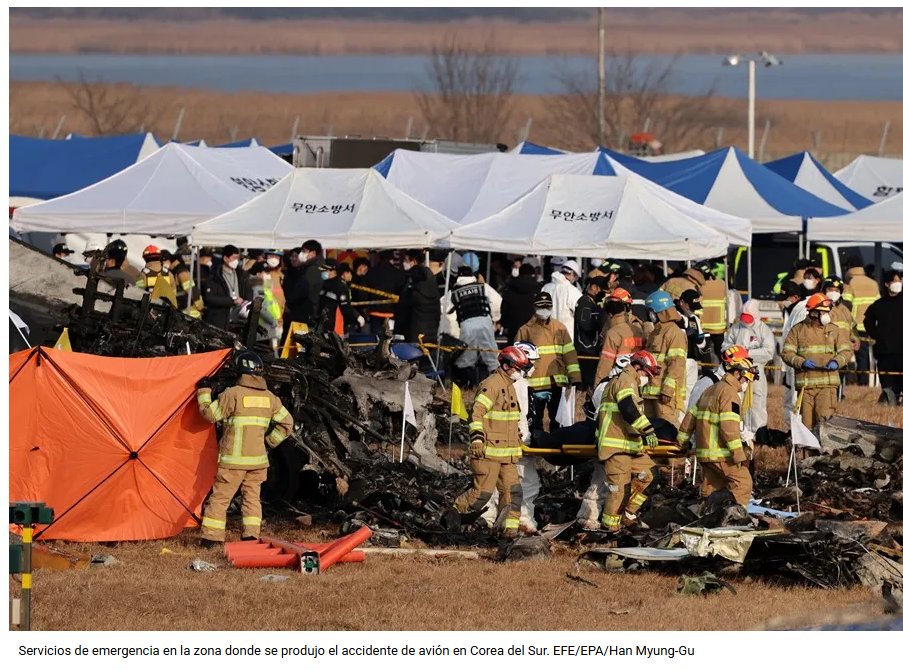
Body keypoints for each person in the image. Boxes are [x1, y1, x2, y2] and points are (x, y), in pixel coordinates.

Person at [196, 351, 294, 547]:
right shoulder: (270, 398)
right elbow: (287, 423)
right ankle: (251, 536)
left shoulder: (233, 394)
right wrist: (269, 442)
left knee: (221, 498)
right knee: (252, 499)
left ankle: (211, 539)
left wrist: (204, 392)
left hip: (233, 461)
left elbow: (209, 415)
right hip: (258, 461)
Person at [453, 346, 532, 539]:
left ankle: (509, 532)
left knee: (513, 494)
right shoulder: (492, 385)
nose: (521, 373)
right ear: (506, 366)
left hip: (507, 454)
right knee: (481, 495)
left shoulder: (509, 387)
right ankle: (451, 520)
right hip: (487, 453)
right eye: (519, 369)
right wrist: (477, 440)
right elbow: (476, 414)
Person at [595, 350, 661, 532]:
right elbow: (627, 407)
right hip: (616, 447)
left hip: (630, 446)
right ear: (637, 366)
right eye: (646, 373)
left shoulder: (632, 382)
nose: (647, 378)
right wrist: (647, 429)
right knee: (618, 492)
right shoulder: (625, 380)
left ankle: (628, 515)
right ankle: (610, 530)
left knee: (650, 475)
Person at [677, 358, 757, 509]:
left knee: (712, 489)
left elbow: (689, 418)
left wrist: (682, 443)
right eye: (746, 378)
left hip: (704, 454)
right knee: (743, 483)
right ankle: (735, 520)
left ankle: (705, 517)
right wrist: (738, 455)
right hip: (720, 453)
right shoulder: (730, 394)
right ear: (737, 373)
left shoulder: (710, 390)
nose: (746, 383)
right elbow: (729, 428)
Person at [481, 341, 542, 534]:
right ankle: (521, 521)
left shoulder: (499, 379)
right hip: (511, 445)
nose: (533, 367)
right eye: (531, 362)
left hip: (499, 444)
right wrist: (526, 440)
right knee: (526, 483)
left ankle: (487, 519)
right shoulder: (519, 384)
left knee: (494, 483)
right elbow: (520, 415)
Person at [781, 292, 853, 430]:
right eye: (823, 312)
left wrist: (837, 362)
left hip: (827, 386)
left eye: (827, 312)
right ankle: (808, 451)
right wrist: (801, 362)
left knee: (824, 422)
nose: (827, 316)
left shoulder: (834, 330)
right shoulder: (797, 330)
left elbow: (846, 351)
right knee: (806, 426)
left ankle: (824, 451)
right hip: (806, 386)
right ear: (813, 313)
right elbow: (786, 353)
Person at [515, 292, 581, 431]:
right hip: (534, 384)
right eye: (541, 306)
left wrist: (575, 377)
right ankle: (535, 444)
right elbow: (517, 357)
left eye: (547, 306)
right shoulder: (525, 330)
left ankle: (555, 444)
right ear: (534, 308)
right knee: (534, 419)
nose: (544, 309)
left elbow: (569, 354)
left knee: (557, 419)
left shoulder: (560, 328)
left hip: (556, 382)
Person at [722, 300, 775, 438]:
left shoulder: (763, 329)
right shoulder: (735, 328)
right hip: (737, 373)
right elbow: (725, 347)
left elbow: (769, 352)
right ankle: (739, 433)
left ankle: (758, 434)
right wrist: (737, 354)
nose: (745, 320)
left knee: (757, 402)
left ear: (755, 316)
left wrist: (748, 354)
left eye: (748, 317)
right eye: (743, 316)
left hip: (756, 372)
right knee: (736, 401)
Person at [447, 266, 502, 387]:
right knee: (491, 354)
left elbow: (445, 309)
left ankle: (468, 385)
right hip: (485, 321)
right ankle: (497, 384)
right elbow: (498, 301)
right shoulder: (483, 287)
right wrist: (495, 318)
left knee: (467, 356)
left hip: (467, 324)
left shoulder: (454, 292)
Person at [642, 290, 688, 428]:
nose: (650, 315)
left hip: (663, 394)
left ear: (659, 311)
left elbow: (676, 365)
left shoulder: (674, 333)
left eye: (651, 311)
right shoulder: (655, 332)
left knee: (668, 427)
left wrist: (667, 390)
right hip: (649, 391)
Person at [864, 269, 903, 405]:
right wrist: (876, 335)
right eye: (894, 281)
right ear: (886, 284)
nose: (897, 283)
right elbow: (867, 321)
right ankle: (889, 400)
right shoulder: (878, 305)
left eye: (899, 280)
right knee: (887, 382)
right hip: (884, 351)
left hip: (901, 351)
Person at [594, 288, 646, 385]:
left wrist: (598, 386)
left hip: (617, 377)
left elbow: (606, 363)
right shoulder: (609, 323)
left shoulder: (635, 325)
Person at [843, 255, 881, 385]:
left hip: (856, 326)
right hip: (873, 325)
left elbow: (846, 306)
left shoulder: (850, 283)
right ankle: (869, 383)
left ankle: (855, 382)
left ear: (849, 268)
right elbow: (878, 304)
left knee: (855, 356)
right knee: (870, 357)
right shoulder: (873, 283)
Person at [778, 280, 810, 425]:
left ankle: (796, 432)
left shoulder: (802, 311)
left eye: (785, 299)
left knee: (795, 401)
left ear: (795, 297)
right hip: (789, 362)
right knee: (789, 399)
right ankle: (789, 430)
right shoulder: (790, 310)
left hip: (797, 362)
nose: (781, 302)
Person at [394, 249, 441, 344]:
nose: (404, 263)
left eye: (406, 260)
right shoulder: (432, 283)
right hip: (433, 332)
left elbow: (403, 311)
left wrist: (398, 331)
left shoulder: (412, 290)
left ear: (414, 261)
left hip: (416, 334)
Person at [203, 245, 252, 331]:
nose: (236, 261)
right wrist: (231, 301)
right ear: (225, 258)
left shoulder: (241, 274)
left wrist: (246, 302)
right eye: (234, 258)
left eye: (238, 258)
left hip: (238, 320)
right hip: (220, 321)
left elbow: (249, 291)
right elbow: (210, 298)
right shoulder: (215, 276)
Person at [676, 288, 710, 414]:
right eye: (691, 307)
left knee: (692, 392)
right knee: (679, 393)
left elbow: (702, 343)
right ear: (682, 303)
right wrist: (686, 333)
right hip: (679, 360)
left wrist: (699, 339)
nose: (692, 310)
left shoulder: (695, 319)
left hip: (692, 361)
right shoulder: (676, 316)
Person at [574, 276, 608, 389]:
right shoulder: (585, 302)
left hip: (591, 350)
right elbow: (585, 324)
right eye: (601, 290)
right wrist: (600, 317)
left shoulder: (592, 303)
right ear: (593, 287)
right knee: (586, 384)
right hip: (585, 351)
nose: (602, 293)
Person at [366, 250, 408, 333]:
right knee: (389, 341)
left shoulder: (371, 272)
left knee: (376, 341)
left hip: (374, 312)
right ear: (391, 259)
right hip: (391, 313)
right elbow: (402, 292)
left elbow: (364, 292)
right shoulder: (397, 273)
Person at [318, 259, 364, 334]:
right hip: (322, 324)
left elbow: (346, 308)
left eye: (326, 270)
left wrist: (355, 317)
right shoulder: (322, 284)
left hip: (335, 327)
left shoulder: (340, 286)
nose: (323, 272)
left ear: (334, 271)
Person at [501, 262, 542, 345]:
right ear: (533, 274)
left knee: (514, 354)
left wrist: (504, 324)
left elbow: (504, 308)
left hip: (514, 328)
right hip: (533, 328)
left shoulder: (510, 287)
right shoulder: (538, 289)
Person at [541, 259, 582, 338]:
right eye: (576, 277)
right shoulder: (573, 291)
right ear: (573, 275)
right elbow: (581, 314)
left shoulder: (546, 287)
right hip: (565, 337)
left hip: (547, 335)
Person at [247, 262, 282, 352]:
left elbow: (270, 303)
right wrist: (273, 320)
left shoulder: (264, 285)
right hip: (262, 329)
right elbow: (260, 306)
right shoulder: (257, 287)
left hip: (267, 329)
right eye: (265, 273)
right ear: (258, 274)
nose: (268, 275)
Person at [697, 261, 728, 356]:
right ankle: (724, 369)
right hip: (719, 328)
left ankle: (708, 370)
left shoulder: (699, 286)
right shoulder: (722, 284)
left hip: (704, 327)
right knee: (720, 352)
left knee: (705, 351)